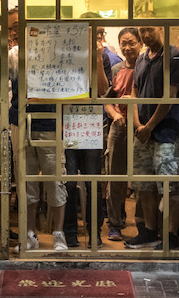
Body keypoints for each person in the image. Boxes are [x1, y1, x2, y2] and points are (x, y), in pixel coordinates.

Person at [124, 21, 179, 249]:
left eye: (150, 29)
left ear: (161, 29)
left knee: (170, 186)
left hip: (167, 133)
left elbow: (169, 97)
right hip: (143, 132)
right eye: (142, 30)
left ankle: (171, 235)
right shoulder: (142, 58)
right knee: (145, 185)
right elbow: (134, 92)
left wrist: (149, 126)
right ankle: (150, 231)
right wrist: (138, 125)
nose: (145, 34)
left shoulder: (174, 57)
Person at [8, 7, 69, 251]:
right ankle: (29, 234)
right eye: (11, 27)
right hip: (20, 122)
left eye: (17, 27)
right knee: (26, 181)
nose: (14, 32)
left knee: (55, 179)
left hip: (50, 122)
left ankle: (58, 234)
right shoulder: (13, 54)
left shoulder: (54, 51)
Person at [62, 23, 112, 248]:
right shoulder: (66, 54)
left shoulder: (105, 57)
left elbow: (102, 90)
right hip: (70, 125)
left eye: (102, 33)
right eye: (96, 33)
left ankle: (94, 233)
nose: (100, 37)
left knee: (93, 182)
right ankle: (70, 232)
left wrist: (99, 59)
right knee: (70, 181)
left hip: (92, 125)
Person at [103, 27, 142, 242]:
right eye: (123, 43)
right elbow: (107, 98)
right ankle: (115, 224)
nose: (127, 47)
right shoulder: (116, 67)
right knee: (114, 178)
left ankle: (143, 225)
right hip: (118, 128)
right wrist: (114, 113)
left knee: (141, 179)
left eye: (131, 42)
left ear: (140, 43)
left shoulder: (147, 66)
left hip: (140, 128)